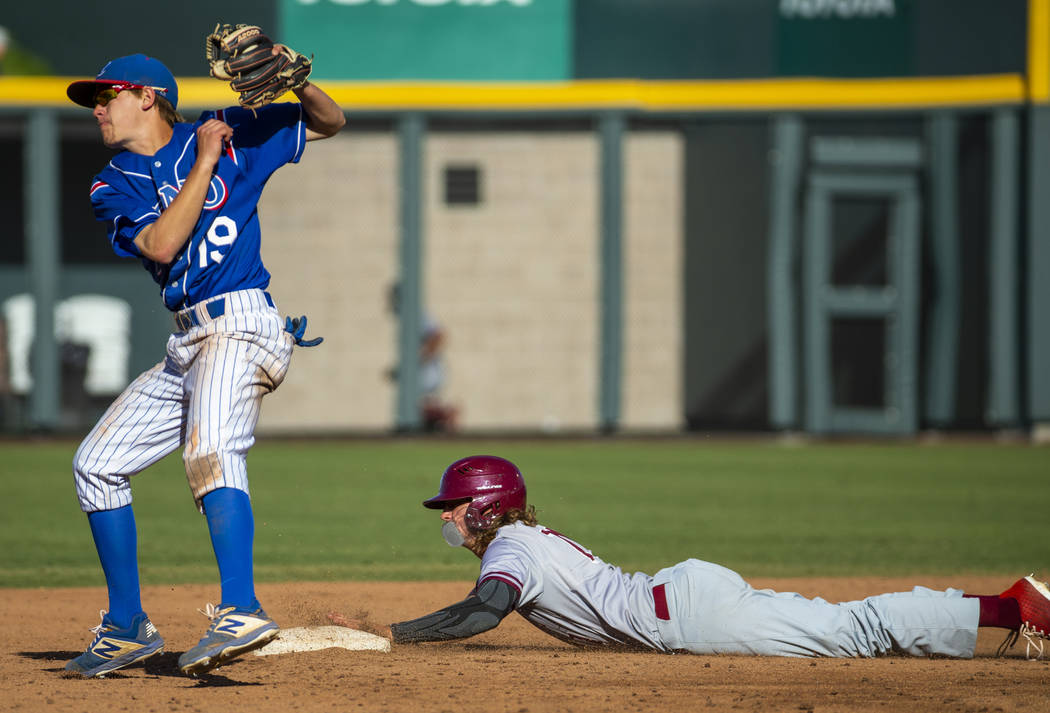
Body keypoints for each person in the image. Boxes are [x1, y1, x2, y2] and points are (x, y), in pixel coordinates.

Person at [63, 49, 345, 678]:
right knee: (96, 466)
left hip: (243, 323)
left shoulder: (226, 126)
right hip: (187, 341)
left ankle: (241, 606)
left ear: (147, 96)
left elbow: (329, 121)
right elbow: (164, 243)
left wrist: (300, 83)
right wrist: (208, 162)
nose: (98, 109)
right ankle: (127, 625)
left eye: (106, 96)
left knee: (211, 446)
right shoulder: (113, 182)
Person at [331, 455, 1050, 661]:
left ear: (487, 508)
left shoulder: (512, 546)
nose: (449, 517)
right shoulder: (522, 541)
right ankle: (1009, 607)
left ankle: (1016, 607)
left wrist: (399, 635)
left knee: (850, 632)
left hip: (688, 614)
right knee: (841, 626)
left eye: (454, 507)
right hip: (681, 600)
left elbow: (486, 612)